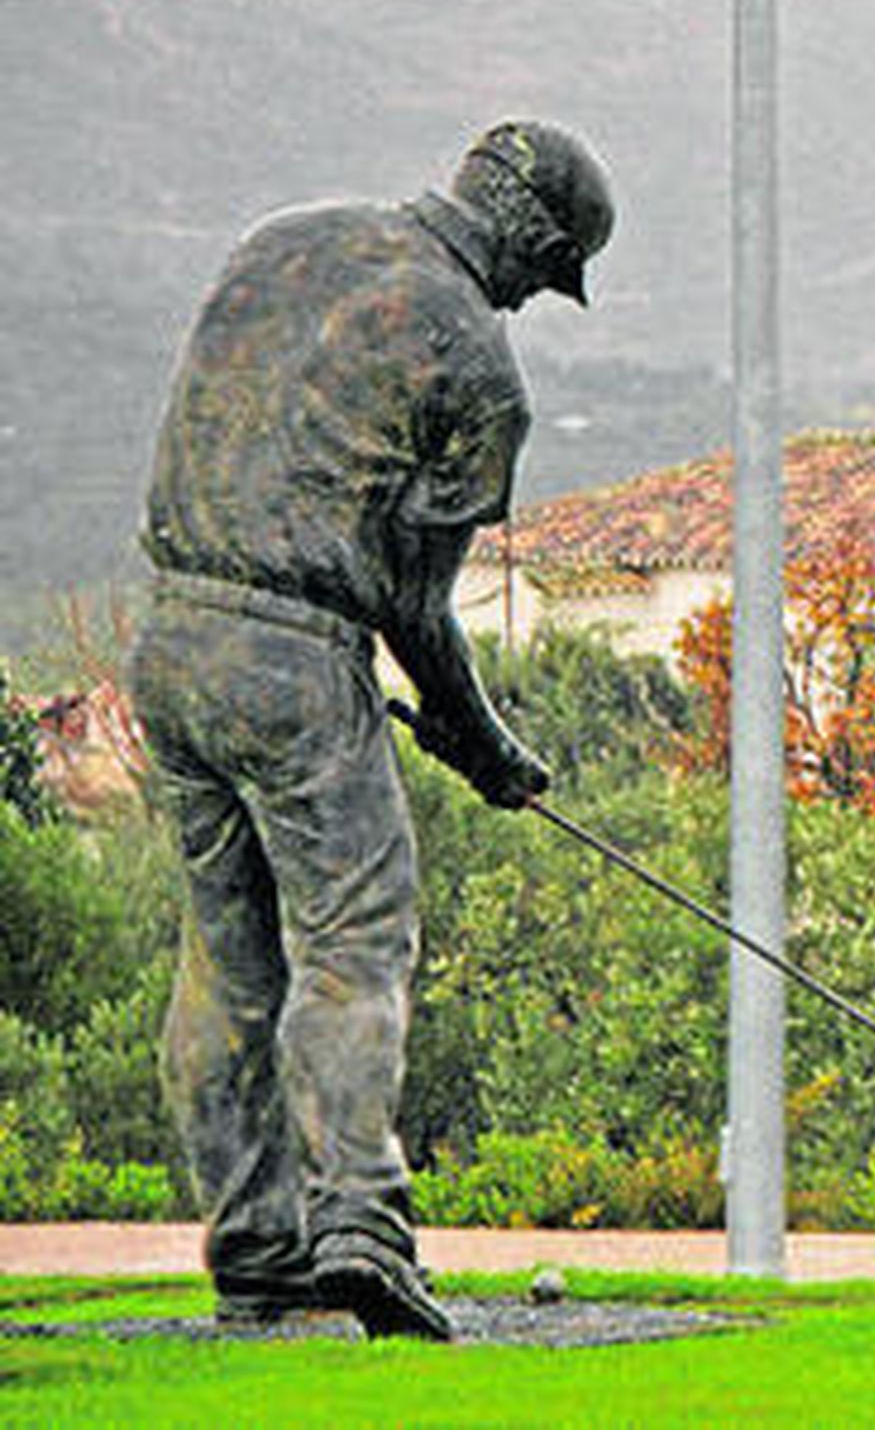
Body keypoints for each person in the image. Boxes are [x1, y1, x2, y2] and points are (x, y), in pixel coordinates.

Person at [129, 120, 614, 1340]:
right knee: (355, 936)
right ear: (536, 238)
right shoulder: (477, 363)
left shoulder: (282, 242)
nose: (530, 298)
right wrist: (487, 745)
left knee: (226, 959)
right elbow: (413, 600)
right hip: (295, 663)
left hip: (169, 641)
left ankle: (256, 1250)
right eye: (547, 275)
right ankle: (361, 1223)